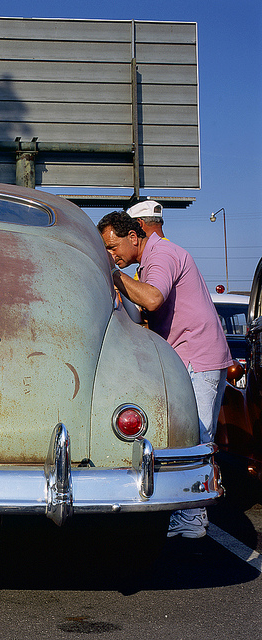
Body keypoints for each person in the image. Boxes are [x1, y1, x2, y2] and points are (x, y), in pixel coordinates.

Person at [97, 210, 232, 539]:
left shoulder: (162, 255)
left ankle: (193, 518)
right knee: (187, 434)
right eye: (106, 251)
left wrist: (115, 274)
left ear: (134, 236)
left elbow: (154, 298)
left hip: (198, 357)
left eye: (114, 247)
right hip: (187, 357)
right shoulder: (151, 261)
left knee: (196, 436)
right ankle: (187, 514)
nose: (111, 255)